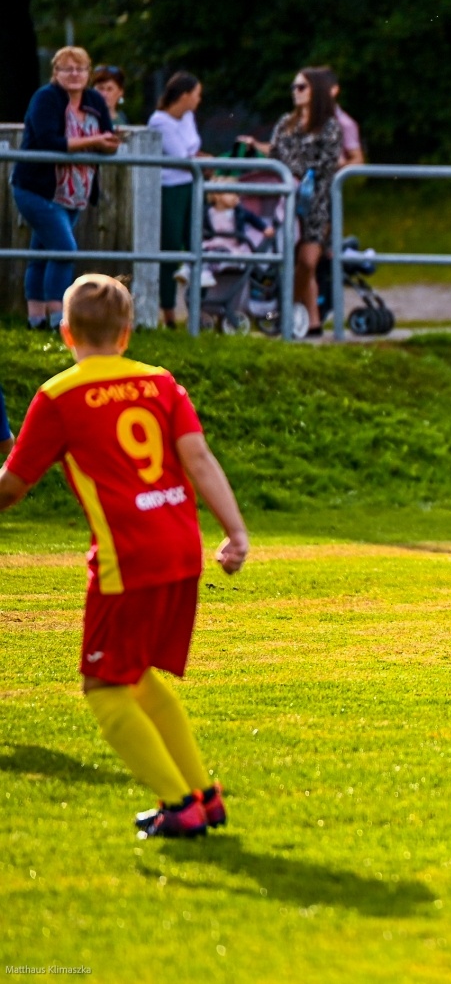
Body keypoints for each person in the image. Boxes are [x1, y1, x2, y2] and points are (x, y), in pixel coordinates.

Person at [0, 274, 250, 838]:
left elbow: (12, 487)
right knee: (135, 677)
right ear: (127, 334)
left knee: (105, 689)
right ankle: (204, 795)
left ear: (66, 332)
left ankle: (178, 804)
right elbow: (199, 459)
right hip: (181, 548)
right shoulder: (161, 383)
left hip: (126, 559)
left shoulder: (59, 396)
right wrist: (235, 532)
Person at [10, 46, 119, 331]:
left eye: (80, 69)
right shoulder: (45, 98)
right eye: (67, 69)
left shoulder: (94, 99)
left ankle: (36, 320)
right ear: (55, 73)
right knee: (65, 249)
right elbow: (48, 141)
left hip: (76, 191)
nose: (74, 74)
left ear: (87, 72)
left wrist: (106, 143)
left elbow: (109, 138)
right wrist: (95, 141)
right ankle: (59, 320)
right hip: (37, 188)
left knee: (43, 249)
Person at [241, 67, 343, 338]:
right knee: (291, 258)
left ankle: (288, 311)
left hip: (316, 204)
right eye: (294, 88)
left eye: (302, 87)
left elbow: (325, 164)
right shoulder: (286, 123)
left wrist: (292, 168)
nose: (295, 92)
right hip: (285, 202)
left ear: (316, 91)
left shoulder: (329, 126)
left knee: (308, 261)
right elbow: (275, 156)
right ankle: (312, 321)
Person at [148, 72, 205, 328]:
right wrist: (201, 161)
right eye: (196, 94)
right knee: (170, 248)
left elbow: (192, 152)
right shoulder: (160, 122)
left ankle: (198, 310)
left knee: (197, 243)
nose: (199, 100)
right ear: (184, 95)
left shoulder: (188, 117)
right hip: (170, 189)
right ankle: (168, 311)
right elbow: (182, 156)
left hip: (191, 185)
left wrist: (203, 160)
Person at [326, 68, 365, 168]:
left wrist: (339, 165)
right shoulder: (296, 120)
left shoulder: (344, 123)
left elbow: (358, 159)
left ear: (334, 90)